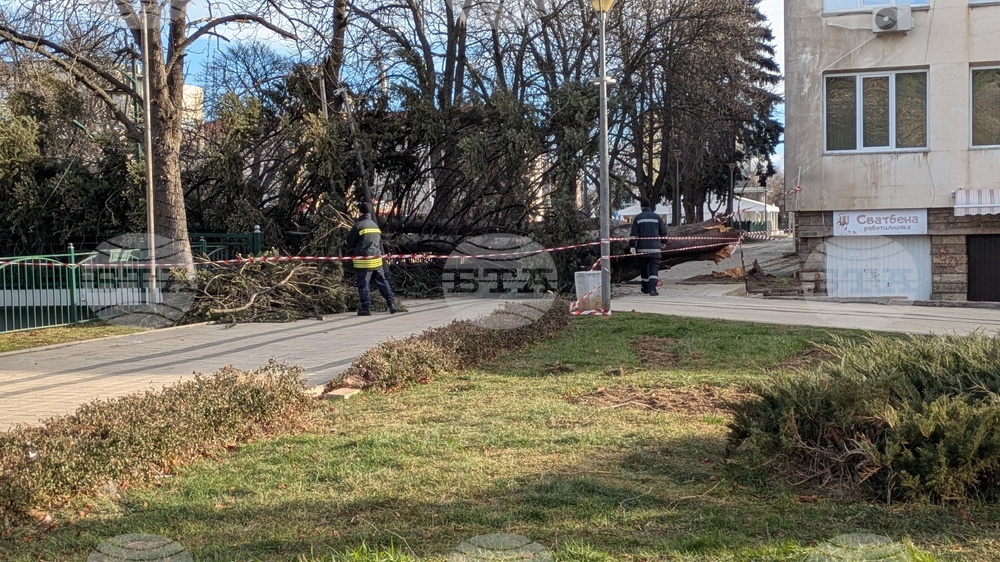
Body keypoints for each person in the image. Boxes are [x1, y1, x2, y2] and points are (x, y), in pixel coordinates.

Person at [346, 202, 397, 316]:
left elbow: (349, 242)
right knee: (383, 282)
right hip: (377, 259)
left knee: (364, 285)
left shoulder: (358, 225)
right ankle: (391, 304)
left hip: (364, 262)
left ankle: (366, 308)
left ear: (360, 212)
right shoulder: (375, 225)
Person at [628, 197, 667, 296]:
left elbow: (633, 234)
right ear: (649, 206)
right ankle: (652, 289)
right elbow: (663, 232)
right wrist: (664, 242)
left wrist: (632, 246)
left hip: (642, 249)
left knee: (644, 269)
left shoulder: (638, 218)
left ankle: (645, 288)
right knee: (654, 269)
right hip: (655, 249)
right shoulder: (657, 217)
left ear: (641, 207)